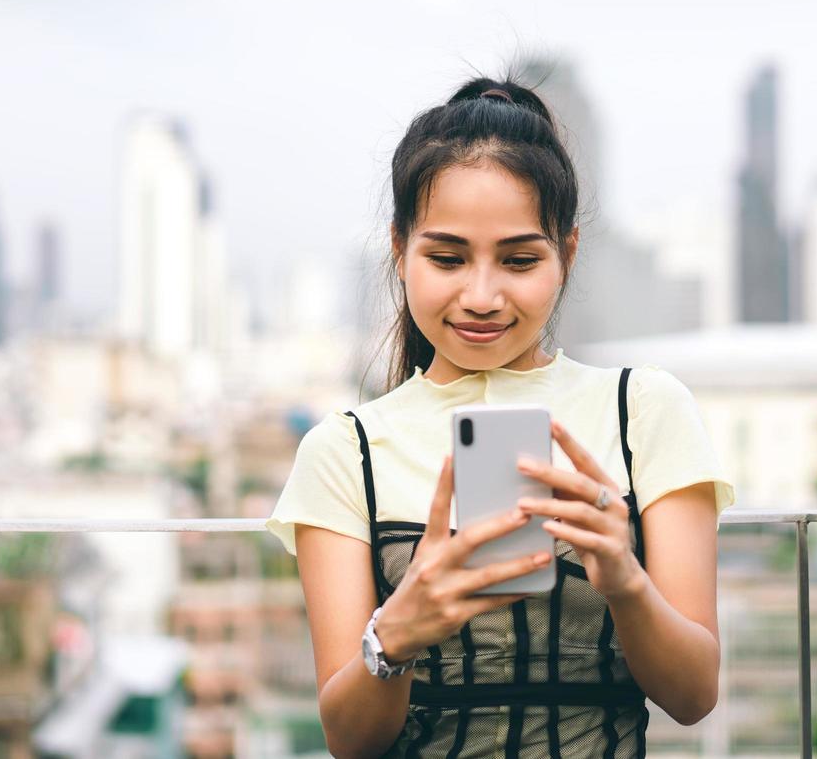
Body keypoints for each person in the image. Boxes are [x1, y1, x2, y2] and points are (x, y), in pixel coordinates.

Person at [266, 76, 735, 758]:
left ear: (566, 254)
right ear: (399, 251)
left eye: (518, 260)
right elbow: (348, 738)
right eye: (447, 258)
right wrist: (398, 632)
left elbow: (693, 697)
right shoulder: (346, 451)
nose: (481, 296)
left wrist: (626, 581)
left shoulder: (646, 410)